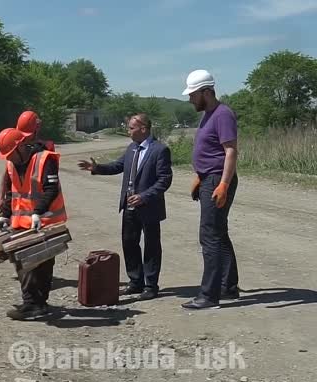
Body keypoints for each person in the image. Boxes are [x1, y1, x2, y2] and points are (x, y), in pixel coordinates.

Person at [78, 114, 173, 300]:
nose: (128, 131)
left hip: (149, 207)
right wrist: (97, 168)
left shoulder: (160, 150)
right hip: (129, 206)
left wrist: (144, 197)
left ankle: (151, 286)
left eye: (131, 128)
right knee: (129, 243)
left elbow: (165, 180)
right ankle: (135, 282)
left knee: (152, 246)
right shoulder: (132, 148)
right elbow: (117, 166)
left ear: (143, 129)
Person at [179, 69, 239, 310]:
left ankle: (209, 295)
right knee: (219, 234)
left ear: (206, 92)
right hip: (209, 179)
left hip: (217, 180)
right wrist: (199, 176)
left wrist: (223, 183)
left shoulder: (223, 114)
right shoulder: (208, 114)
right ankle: (228, 287)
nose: (190, 99)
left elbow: (230, 151)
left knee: (210, 237)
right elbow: (210, 150)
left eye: (193, 94)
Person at [0, 126, 67, 320]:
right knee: (23, 263)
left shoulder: (45, 159)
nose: (9, 159)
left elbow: (51, 189)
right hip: (21, 222)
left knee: (43, 264)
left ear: (21, 147)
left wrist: (37, 212)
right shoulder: (12, 164)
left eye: (11, 154)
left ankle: (37, 304)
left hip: (45, 220)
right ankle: (31, 303)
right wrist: (5, 214)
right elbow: (12, 191)